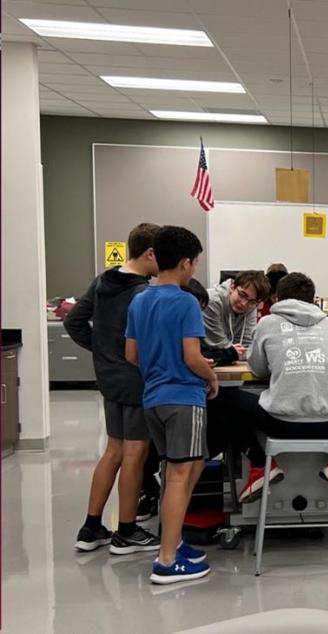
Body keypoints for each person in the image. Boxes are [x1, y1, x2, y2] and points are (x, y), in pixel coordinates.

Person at [224, 273, 328, 502]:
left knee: (225, 398)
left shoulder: (267, 323)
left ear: (278, 298)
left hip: (279, 423)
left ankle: (258, 463)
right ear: (312, 299)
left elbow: (258, 369)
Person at [124, 225, 217, 584]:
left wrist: (158, 366)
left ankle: (173, 542)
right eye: (194, 263)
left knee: (183, 471)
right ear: (185, 263)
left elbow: (131, 354)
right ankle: (167, 561)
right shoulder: (185, 301)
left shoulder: (140, 300)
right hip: (184, 398)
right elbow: (192, 356)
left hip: (153, 400)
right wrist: (209, 376)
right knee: (181, 476)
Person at [66, 222, 163, 554]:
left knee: (114, 451)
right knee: (135, 453)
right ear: (150, 253)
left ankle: (91, 527)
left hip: (109, 378)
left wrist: (102, 349)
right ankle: (127, 531)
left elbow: (73, 321)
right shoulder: (142, 293)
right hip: (136, 380)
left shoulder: (103, 280)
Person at [202, 269, 269, 354]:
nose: (244, 303)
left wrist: (239, 352)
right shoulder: (211, 301)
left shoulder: (251, 307)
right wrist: (236, 353)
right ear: (232, 287)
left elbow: (247, 345)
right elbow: (217, 343)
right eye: (242, 295)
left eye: (252, 302)